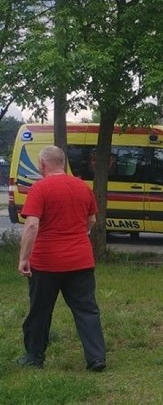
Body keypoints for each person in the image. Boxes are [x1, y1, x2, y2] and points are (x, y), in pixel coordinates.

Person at [17, 146, 107, 372]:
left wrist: (23, 258)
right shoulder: (81, 186)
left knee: (40, 310)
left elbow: (32, 224)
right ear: (63, 163)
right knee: (87, 310)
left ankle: (34, 356)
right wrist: (77, 237)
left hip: (46, 263)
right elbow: (92, 220)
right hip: (80, 260)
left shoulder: (40, 188)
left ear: (42, 164)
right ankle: (96, 358)